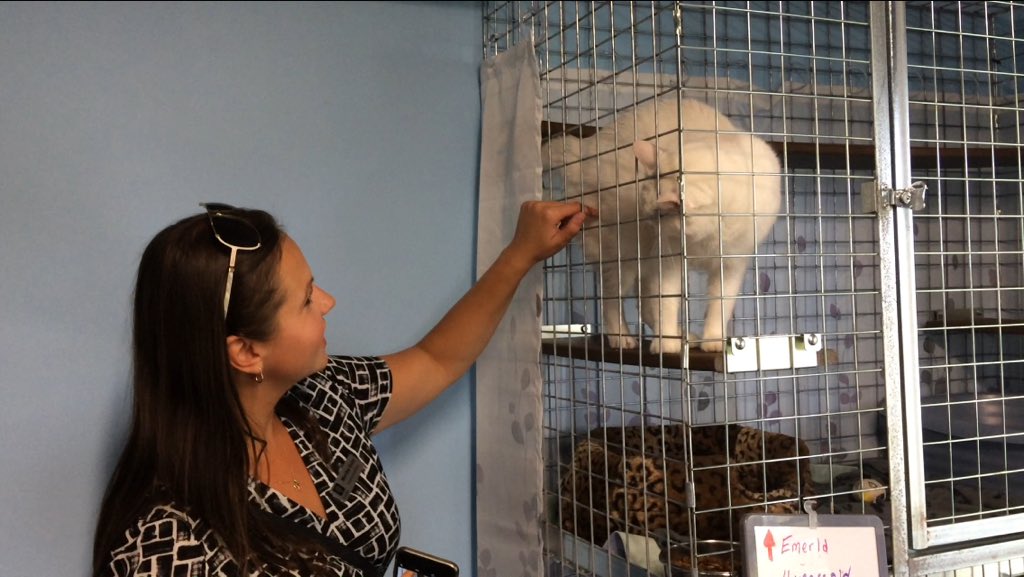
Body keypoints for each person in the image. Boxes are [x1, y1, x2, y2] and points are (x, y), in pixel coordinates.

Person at [91, 200, 593, 577]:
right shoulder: (167, 545)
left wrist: (520, 254)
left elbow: (435, 360)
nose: (329, 302)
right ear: (246, 351)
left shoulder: (322, 397)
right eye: (307, 299)